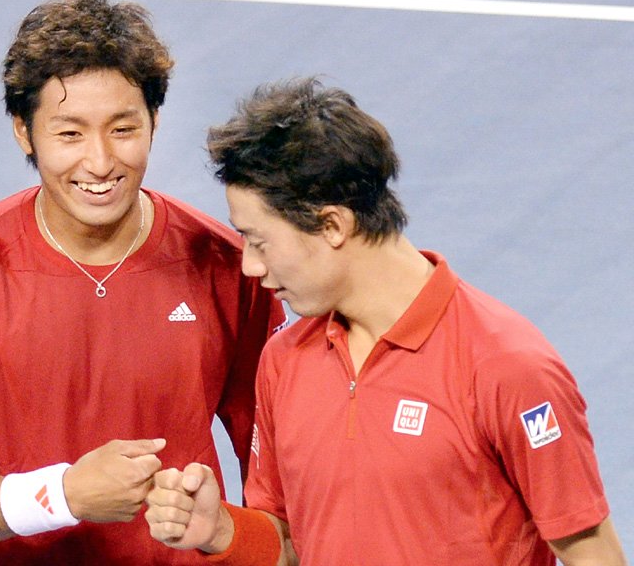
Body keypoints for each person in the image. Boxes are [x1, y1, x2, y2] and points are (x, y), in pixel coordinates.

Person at [0, 0, 286, 565]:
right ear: (24, 132)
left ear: (154, 120)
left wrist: (226, 531)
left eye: (123, 129)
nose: (99, 162)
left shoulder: (229, 265)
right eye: (69, 134)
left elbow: (280, 491)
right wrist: (64, 495)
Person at [144, 77, 628, 565]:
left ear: (332, 225)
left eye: (260, 241)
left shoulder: (507, 365)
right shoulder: (284, 361)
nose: (249, 265)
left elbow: (593, 554)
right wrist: (221, 530)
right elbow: (290, 539)